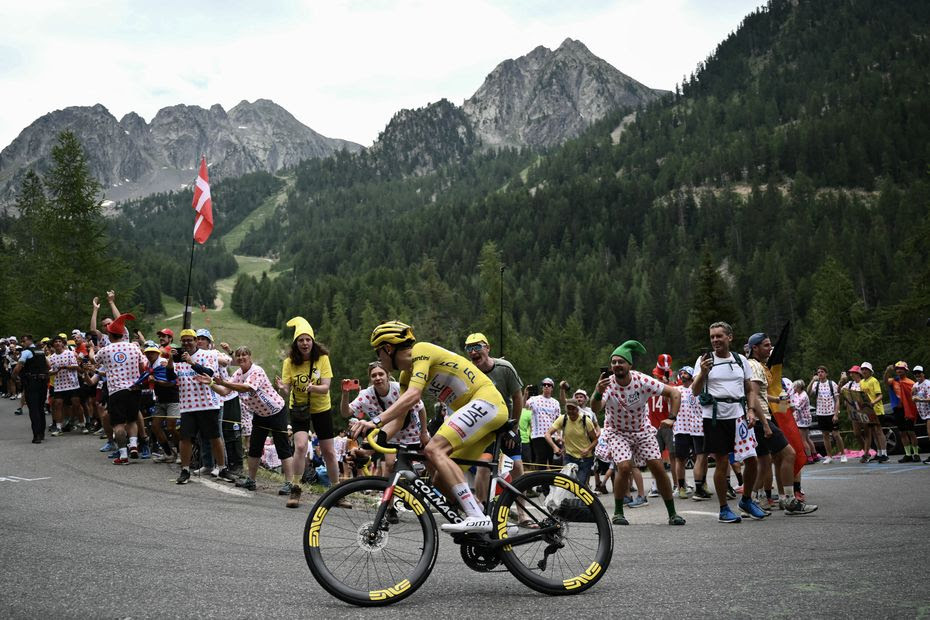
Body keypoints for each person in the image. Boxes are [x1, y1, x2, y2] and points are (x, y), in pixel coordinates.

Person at [351, 321, 508, 533]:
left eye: (379, 353)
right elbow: (400, 418)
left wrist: (374, 421)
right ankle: (490, 524)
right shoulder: (406, 377)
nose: (379, 359)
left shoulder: (421, 351)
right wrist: (371, 443)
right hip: (477, 412)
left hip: (487, 401)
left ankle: (476, 516)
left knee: (433, 449)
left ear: (388, 348)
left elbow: (414, 395)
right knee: (440, 479)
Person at [590, 340, 686, 527]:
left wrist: (672, 417)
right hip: (617, 432)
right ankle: (618, 513)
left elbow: (674, 393)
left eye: (621, 362)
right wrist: (597, 392)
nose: (617, 365)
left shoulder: (641, 380)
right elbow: (596, 408)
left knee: (658, 467)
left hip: (642, 431)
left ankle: (672, 513)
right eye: (614, 362)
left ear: (630, 365)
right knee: (624, 467)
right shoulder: (606, 384)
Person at [198, 345, 297, 505]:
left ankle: (289, 482)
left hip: (276, 411)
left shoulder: (256, 370)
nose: (242, 358)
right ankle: (251, 480)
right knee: (254, 448)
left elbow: (246, 387)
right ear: (236, 360)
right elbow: (224, 391)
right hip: (259, 414)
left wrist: (224, 382)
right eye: (239, 356)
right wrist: (210, 383)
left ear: (250, 357)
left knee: (282, 447)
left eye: (245, 355)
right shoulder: (237, 374)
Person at [690, 321, 768, 523]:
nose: (715, 340)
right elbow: (695, 391)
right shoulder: (704, 360)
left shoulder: (740, 360)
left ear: (729, 337)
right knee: (722, 462)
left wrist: (751, 410)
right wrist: (703, 373)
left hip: (739, 416)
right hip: (714, 418)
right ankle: (724, 508)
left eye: (719, 336)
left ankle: (747, 500)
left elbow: (750, 389)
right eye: (712, 337)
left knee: (751, 459)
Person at [745, 333, 814, 515]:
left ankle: (748, 501)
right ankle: (789, 500)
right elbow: (752, 396)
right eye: (766, 345)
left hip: (758, 419)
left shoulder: (756, 366)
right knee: (789, 454)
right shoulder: (755, 366)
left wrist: (776, 398)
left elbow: (758, 394)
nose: (770, 348)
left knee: (764, 463)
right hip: (761, 419)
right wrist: (765, 424)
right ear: (755, 348)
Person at [275, 317, 338, 509]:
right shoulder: (289, 362)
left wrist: (313, 388)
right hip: (299, 409)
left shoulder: (323, 359)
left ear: (313, 341)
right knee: (300, 446)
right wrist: (281, 388)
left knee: (328, 451)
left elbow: (326, 387)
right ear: (296, 343)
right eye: (301, 340)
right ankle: (296, 488)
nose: (304, 343)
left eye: (307, 339)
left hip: (321, 408)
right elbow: (287, 388)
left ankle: (337, 492)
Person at [340, 360, 428, 481]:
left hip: (413, 432)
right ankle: (386, 496)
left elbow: (421, 408)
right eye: (374, 375)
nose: (378, 378)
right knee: (389, 465)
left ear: (388, 376)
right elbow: (346, 413)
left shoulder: (399, 389)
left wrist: (424, 432)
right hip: (389, 434)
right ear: (370, 379)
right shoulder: (366, 394)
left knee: (430, 464)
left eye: (381, 374)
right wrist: (345, 394)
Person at [463, 333, 525, 503]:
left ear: (488, 348)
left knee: (517, 466)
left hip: (507, 423)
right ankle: (481, 512)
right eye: (469, 348)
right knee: (483, 466)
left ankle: (522, 513)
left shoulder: (504, 367)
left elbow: (517, 397)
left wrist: (514, 427)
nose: (473, 352)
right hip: (484, 426)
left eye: (477, 347)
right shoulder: (468, 372)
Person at [173, 328, 235, 484]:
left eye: (190, 340)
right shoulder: (179, 359)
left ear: (195, 341)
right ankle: (185, 470)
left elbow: (209, 372)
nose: (187, 343)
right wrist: (169, 359)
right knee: (185, 438)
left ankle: (222, 468)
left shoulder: (208, 354)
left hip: (207, 404)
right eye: (184, 340)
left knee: (214, 437)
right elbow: (169, 376)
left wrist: (192, 363)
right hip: (187, 405)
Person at [93, 314, 145, 464]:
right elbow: (142, 366)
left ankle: (123, 455)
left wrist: (91, 351)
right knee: (132, 419)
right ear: (123, 334)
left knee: (118, 424)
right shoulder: (134, 347)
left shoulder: (105, 350)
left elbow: (95, 362)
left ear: (109, 334)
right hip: (134, 388)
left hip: (116, 390)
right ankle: (134, 445)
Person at [673, 367, 711, 500]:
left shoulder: (697, 388)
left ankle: (703, 483)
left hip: (696, 428)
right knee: (680, 459)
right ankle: (681, 486)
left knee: (701, 457)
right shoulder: (676, 390)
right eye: (680, 373)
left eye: (685, 373)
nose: (682, 375)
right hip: (681, 428)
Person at [545, 400, 598, 483]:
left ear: (577, 409)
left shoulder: (585, 420)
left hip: (585, 458)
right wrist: (554, 447)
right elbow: (547, 434)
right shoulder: (563, 419)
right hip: (569, 456)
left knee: (579, 484)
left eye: (573, 409)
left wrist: (588, 449)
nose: (571, 411)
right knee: (568, 483)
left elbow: (595, 440)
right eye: (568, 409)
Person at [12, 335, 49, 443]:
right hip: (42, 382)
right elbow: (49, 365)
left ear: (28, 340)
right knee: (40, 408)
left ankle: (36, 435)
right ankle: (41, 433)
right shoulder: (41, 352)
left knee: (33, 409)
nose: (22, 343)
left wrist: (14, 378)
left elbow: (18, 367)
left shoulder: (26, 352)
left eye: (23, 341)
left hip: (32, 382)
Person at [47, 335, 84, 436]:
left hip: (72, 383)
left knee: (76, 404)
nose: (58, 343)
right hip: (59, 385)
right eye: (56, 342)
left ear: (63, 343)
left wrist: (66, 366)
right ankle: (59, 427)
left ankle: (82, 424)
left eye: (60, 341)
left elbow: (76, 366)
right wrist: (55, 371)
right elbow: (50, 371)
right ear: (53, 345)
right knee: (58, 404)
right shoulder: (52, 357)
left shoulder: (69, 353)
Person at [807, 366, 845, 463]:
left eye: (822, 372)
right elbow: (808, 392)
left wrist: (836, 414)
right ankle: (829, 456)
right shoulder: (816, 384)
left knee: (836, 435)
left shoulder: (832, 384)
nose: (820, 374)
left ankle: (843, 454)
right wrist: (812, 381)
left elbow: (837, 400)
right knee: (825, 435)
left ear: (826, 373)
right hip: (821, 413)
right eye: (818, 372)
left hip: (831, 412)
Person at [885, 362, 920, 462]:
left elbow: (915, 397)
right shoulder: (894, 381)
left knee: (911, 432)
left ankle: (916, 454)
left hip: (909, 409)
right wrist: (887, 372)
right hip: (898, 409)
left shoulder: (911, 383)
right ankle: (908, 454)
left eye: (901, 369)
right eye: (897, 369)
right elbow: (885, 381)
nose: (899, 370)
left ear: (906, 370)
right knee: (902, 433)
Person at [526, 378, 561, 475]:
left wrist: (559, 435)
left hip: (552, 435)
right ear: (542, 387)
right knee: (541, 461)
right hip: (538, 435)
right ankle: (542, 486)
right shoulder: (534, 399)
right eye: (544, 384)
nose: (546, 386)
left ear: (552, 388)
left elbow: (558, 420)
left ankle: (552, 484)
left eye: (549, 385)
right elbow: (524, 405)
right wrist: (525, 394)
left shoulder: (555, 402)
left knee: (553, 461)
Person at [858, 362, 888, 462]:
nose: (864, 371)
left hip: (877, 410)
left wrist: (873, 402)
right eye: (862, 369)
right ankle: (879, 453)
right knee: (874, 433)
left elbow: (880, 395)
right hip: (867, 411)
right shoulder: (861, 382)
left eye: (866, 369)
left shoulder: (874, 381)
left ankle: (884, 453)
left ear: (870, 371)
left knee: (879, 431)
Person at [790, 380, 817, 463]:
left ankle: (809, 457)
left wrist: (788, 404)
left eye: (795, 387)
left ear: (799, 387)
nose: (794, 388)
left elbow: (797, 407)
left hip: (803, 420)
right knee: (807, 438)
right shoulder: (798, 394)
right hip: (802, 419)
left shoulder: (803, 396)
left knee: (803, 440)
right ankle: (814, 455)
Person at [911, 366, 930, 463]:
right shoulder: (915, 385)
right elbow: (913, 398)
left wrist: (920, 399)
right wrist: (912, 394)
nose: (917, 375)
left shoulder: (928, 384)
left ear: (923, 373)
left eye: (919, 372)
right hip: (924, 414)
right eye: (915, 373)